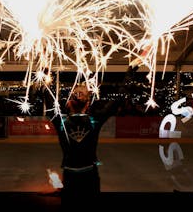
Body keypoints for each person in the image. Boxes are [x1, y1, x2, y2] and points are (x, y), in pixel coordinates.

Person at [51, 65, 140, 211]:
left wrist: (46, 75)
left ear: (68, 103)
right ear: (88, 104)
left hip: (70, 176)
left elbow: (47, 98)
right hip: (89, 176)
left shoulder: (60, 122)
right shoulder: (95, 120)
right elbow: (119, 97)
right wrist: (130, 73)